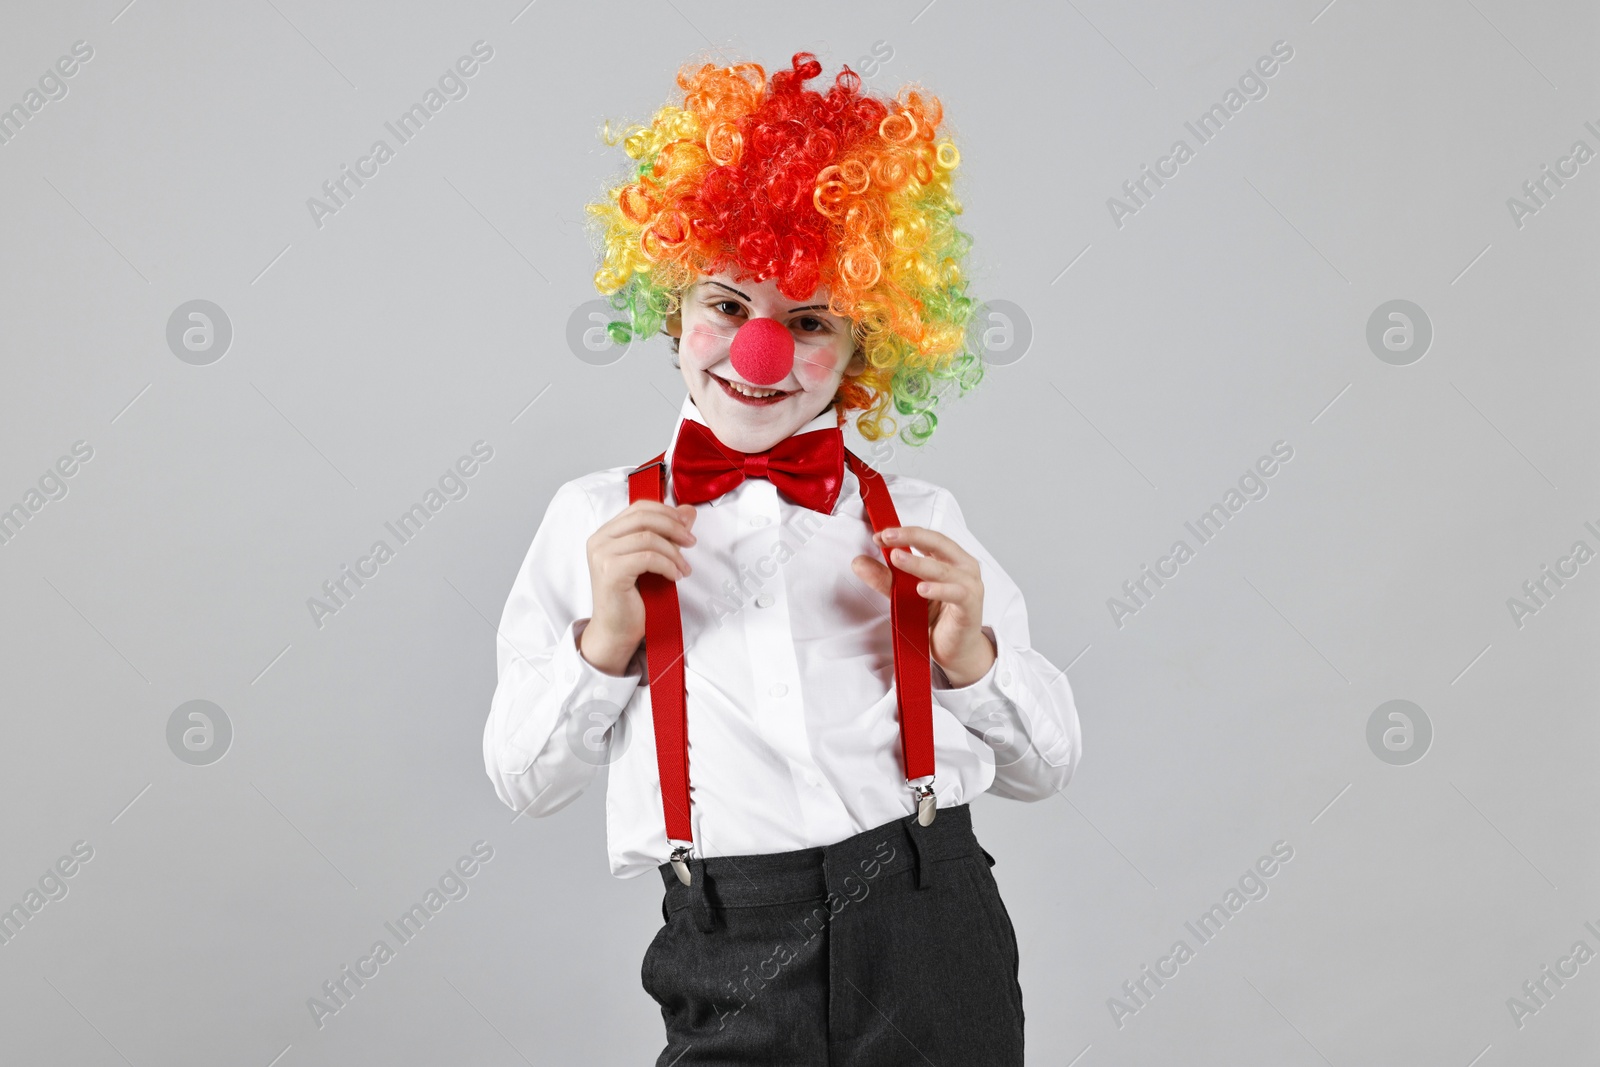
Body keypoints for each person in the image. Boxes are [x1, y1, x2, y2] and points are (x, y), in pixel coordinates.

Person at [482, 50, 1082, 1065]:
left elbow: (1047, 763)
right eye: (727, 305)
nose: (758, 352)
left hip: (927, 912)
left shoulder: (919, 515)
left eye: (808, 323)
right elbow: (524, 778)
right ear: (671, 307)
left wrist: (968, 652)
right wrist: (604, 641)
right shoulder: (594, 520)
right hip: (731, 940)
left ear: (864, 352)